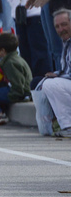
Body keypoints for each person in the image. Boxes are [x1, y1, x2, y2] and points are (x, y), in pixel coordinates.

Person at [32, 9, 71, 137]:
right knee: (43, 83)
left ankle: (68, 125)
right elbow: (67, 69)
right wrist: (57, 74)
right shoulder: (66, 42)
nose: (61, 29)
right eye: (57, 27)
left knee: (51, 85)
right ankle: (56, 125)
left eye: (64, 24)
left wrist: (58, 77)